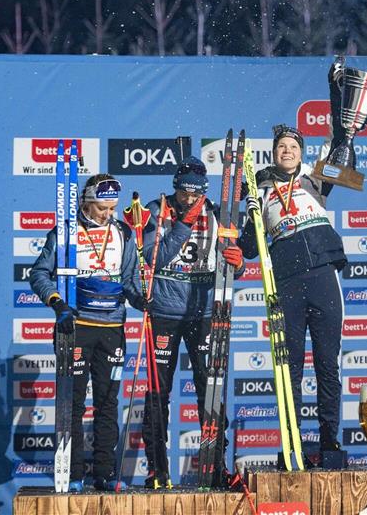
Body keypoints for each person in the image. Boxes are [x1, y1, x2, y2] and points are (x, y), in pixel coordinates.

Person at [238, 124, 347, 463]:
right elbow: (250, 247)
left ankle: (330, 443)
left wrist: (343, 126)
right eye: (281, 147)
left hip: (323, 276)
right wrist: (237, 245)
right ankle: (293, 443)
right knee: (291, 369)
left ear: (301, 153)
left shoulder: (317, 176)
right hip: (286, 282)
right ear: (273, 153)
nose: (287, 151)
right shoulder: (260, 190)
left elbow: (348, 168)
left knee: (328, 364)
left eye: (293, 147)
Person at [29, 173, 141, 492]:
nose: (108, 214)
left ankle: (104, 473)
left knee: (107, 402)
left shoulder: (122, 233)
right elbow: (38, 273)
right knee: (73, 403)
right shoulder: (66, 233)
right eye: (102, 208)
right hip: (76, 328)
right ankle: (74, 473)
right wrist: (57, 304)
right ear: (87, 203)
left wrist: (140, 298)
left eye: (112, 208)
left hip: (112, 330)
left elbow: (131, 280)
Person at [139, 157, 245, 488]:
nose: (190, 199)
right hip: (165, 312)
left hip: (203, 312)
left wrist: (238, 263)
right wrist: (184, 222)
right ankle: (157, 469)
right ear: (175, 187)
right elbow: (151, 257)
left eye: (196, 193)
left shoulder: (216, 213)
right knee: (158, 393)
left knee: (209, 391)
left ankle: (215, 466)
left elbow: (231, 262)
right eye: (184, 192)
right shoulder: (158, 210)